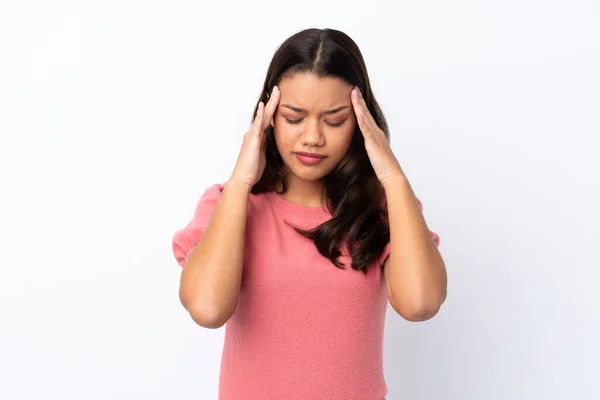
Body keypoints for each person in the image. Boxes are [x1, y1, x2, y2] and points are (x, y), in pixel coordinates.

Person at [171, 28, 447, 400]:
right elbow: (206, 309)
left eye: (334, 120)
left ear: (361, 121)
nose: (312, 137)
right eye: (294, 117)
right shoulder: (229, 206)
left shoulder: (383, 208)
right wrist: (240, 181)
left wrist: (393, 178)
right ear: (267, 115)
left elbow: (421, 303)